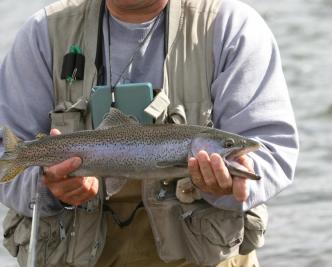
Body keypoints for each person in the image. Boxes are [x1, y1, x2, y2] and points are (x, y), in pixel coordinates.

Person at [0, 0, 299, 266]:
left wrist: (232, 187)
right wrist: (49, 188)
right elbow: (4, 155)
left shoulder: (231, 27)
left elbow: (272, 152)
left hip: (203, 255)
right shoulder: (44, 33)